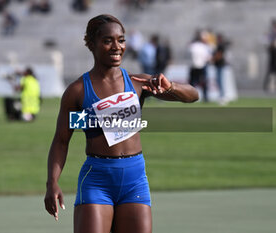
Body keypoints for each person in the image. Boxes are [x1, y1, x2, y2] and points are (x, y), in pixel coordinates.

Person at [44, 14, 198, 233]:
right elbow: (61, 141)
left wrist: (169, 86)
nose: (117, 46)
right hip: (97, 180)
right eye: (108, 40)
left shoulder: (138, 84)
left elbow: (193, 95)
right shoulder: (77, 91)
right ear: (92, 44)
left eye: (121, 40)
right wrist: (52, 182)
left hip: (135, 180)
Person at [188, 30, 212, 102]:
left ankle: (190, 97)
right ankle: (205, 97)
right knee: (203, 82)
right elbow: (208, 57)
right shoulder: (204, 47)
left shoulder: (192, 46)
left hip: (194, 66)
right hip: (202, 66)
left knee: (193, 83)